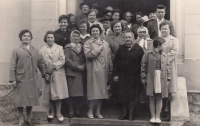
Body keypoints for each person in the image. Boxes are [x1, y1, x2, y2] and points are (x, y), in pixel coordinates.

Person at [9, 29, 46, 125]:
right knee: (20, 99)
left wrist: (45, 73)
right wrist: (12, 79)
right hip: (21, 78)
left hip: (32, 78)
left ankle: (29, 117)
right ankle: (21, 118)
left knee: (31, 99)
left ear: (31, 38)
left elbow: (40, 63)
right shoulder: (16, 50)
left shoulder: (35, 50)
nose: (26, 37)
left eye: (28, 36)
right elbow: (12, 65)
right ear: (21, 38)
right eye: (24, 36)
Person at [113, 31, 144, 121]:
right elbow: (116, 63)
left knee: (134, 95)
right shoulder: (121, 49)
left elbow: (142, 64)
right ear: (124, 39)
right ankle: (124, 112)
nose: (127, 39)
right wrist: (115, 75)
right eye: (126, 37)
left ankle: (131, 113)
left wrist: (141, 76)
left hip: (135, 77)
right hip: (122, 77)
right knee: (123, 94)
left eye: (129, 37)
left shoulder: (139, 49)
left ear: (133, 38)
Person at [84, 24, 113, 119]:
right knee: (94, 92)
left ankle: (98, 111)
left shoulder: (105, 43)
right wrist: (98, 50)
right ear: (91, 33)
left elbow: (108, 57)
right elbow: (88, 55)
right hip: (94, 70)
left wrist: (110, 69)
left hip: (104, 70)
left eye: (97, 31)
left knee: (102, 92)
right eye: (93, 31)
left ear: (100, 32)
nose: (95, 32)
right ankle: (90, 110)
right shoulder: (88, 43)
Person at [40, 31, 69, 122]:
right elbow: (41, 63)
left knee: (58, 93)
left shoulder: (59, 48)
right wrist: (45, 73)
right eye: (48, 37)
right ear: (46, 39)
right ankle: (52, 112)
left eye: (52, 37)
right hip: (48, 74)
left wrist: (54, 66)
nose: (50, 39)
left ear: (54, 38)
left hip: (57, 73)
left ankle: (59, 112)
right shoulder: (42, 50)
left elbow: (62, 60)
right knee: (49, 94)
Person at [141, 37, 171, 123]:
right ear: (158, 45)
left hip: (161, 78)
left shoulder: (165, 55)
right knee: (151, 97)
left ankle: (158, 117)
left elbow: (168, 67)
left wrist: (168, 78)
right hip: (151, 77)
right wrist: (143, 77)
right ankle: (152, 116)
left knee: (159, 97)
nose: (164, 46)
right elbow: (143, 66)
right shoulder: (147, 54)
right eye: (163, 44)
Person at [64, 30, 86, 118]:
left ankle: (78, 110)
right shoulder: (68, 47)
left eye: (77, 36)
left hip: (81, 73)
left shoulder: (83, 47)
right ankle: (71, 110)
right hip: (72, 73)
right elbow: (66, 59)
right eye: (74, 36)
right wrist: (77, 67)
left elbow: (86, 58)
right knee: (71, 93)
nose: (76, 38)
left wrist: (84, 66)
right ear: (71, 37)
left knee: (80, 94)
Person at [160, 22, 179, 117]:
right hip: (159, 65)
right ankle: (160, 105)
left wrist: (164, 58)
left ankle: (166, 105)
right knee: (160, 85)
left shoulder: (174, 40)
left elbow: (175, 52)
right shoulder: (157, 39)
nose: (164, 30)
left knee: (169, 85)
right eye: (162, 29)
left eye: (166, 29)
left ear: (169, 29)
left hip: (170, 65)